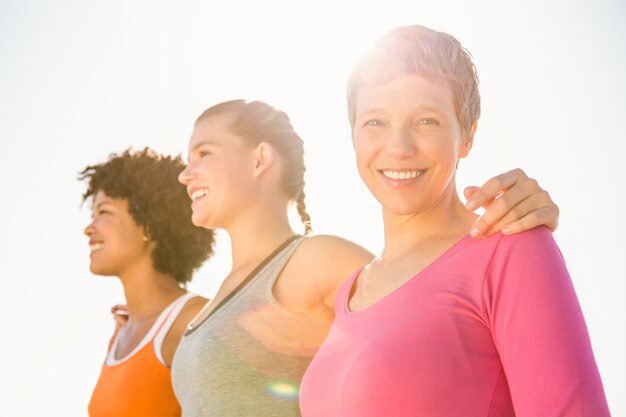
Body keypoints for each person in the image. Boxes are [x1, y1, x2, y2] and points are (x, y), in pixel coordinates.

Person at [171, 99, 560, 416]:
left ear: (259, 160)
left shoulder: (314, 260)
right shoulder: (213, 301)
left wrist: (519, 212)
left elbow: (420, 307)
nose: (185, 175)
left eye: (203, 154)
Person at [299, 25, 610, 416]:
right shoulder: (348, 291)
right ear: (354, 137)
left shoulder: (511, 249)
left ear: (466, 136)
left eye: (426, 121)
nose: (398, 147)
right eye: (375, 122)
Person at [81, 148, 214, 417]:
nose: (89, 228)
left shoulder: (193, 323)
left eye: (103, 212)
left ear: (147, 225)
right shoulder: (119, 337)